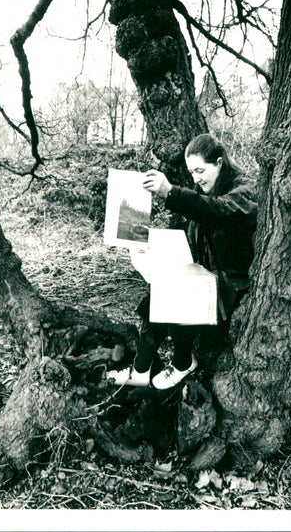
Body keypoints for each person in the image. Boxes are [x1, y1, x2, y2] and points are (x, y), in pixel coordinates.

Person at [107, 133, 257, 390]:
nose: (196, 178)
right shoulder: (206, 188)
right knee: (160, 290)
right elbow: (196, 225)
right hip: (210, 277)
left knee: (177, 292)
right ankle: (142, 369)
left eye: (200, 170)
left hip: (234, 288)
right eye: (192, 172)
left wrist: (170, 192)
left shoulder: (245, 190)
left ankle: (182, 362)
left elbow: (217, 211)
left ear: (219, 163)